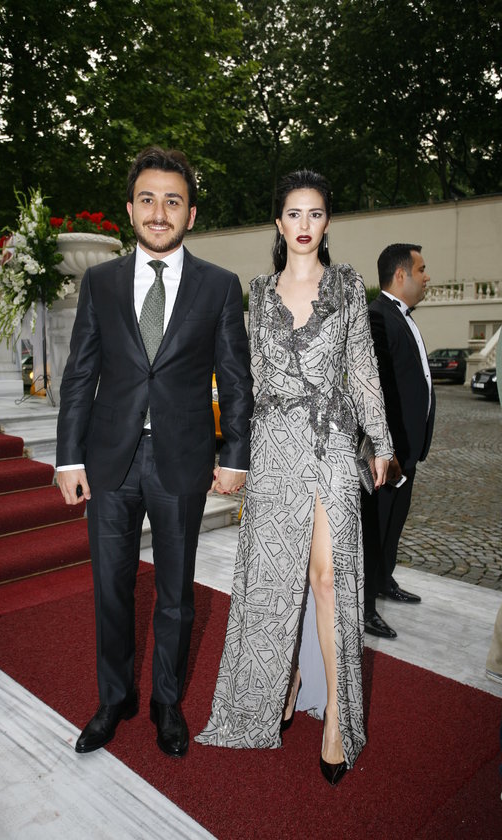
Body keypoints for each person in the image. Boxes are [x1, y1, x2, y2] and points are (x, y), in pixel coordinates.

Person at [55, 146, 253, 758]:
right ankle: (113, 699)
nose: (159, 212)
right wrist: (68, 458)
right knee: (111, 590)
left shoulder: (220, 286)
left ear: (190, 214)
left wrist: (235, 455)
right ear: (130, 209)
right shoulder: (100, 282)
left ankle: (167, 701)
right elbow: (79, 373)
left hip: (182, 461)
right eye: (147, 199)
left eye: (172, 201)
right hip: (109, 462)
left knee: (175, 594)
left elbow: (236, 379)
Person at [196, 170, 393, 784]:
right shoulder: (257, 293)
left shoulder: (347, 286)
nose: (304, 225)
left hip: (332, 442)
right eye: (293, 214)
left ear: (327, 222)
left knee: (328, 576)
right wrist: (232, 452)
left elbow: (362, 366)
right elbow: (246, 380)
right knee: (275, 580)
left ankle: (336, 715)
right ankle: (280, 685)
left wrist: (380, 440)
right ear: (278, 223)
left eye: (315, 213)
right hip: (275, 445)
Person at [361, 243, 435, 640]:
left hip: (409, 449)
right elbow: (377, 389)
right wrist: (384, 449)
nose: (427, 277)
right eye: (421, 269)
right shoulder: (376, 316)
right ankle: (363, 606)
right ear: (401, 274)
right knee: (374, 528)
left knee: (393, 526)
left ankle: (383, 580)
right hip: (386, 453)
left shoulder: (403, 317)